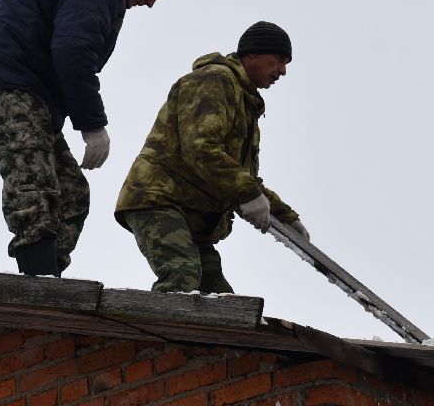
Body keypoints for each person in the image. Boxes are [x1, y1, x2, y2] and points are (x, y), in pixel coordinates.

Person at [0, 0, 179, 276]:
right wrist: (92, 124)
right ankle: (39, 289)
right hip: (8, 81)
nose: (150, 2)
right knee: (33, 182)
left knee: (71, 192)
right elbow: (75, 51)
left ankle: (49, 278)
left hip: (32, 91)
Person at [115, 21, 309, 294]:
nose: (283, 71)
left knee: (219, 299)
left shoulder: (245, 101)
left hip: (192, 214)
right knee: (182, 278)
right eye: (278, 60)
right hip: (159, 199)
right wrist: (248, 193)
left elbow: (241, 174)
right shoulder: (213, 81)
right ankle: (159, 335)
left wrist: (284, 216)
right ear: (252, 55)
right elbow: (201, 149)